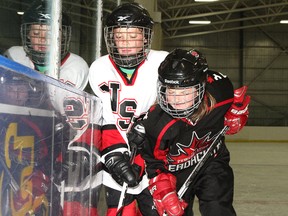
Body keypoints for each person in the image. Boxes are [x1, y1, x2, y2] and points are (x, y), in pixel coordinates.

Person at [127, 48, 251, 216]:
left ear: (201, 87)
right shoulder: (158, 124)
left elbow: (230, 108)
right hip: (176, 173)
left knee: (218, 209)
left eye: (185, 92)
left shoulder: (222, 91)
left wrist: (234, 115)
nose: (177, 100)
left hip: (211, 161)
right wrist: (164, 190)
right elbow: (155, 163)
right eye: (171, 92)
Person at [88, 2, 168, 215]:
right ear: (110, 37)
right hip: (115, 153)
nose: (125, 43)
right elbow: (101, 119)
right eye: (119, 36)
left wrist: (150, 125)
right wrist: (114, 157)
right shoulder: (98, 68)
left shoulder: (163, 62)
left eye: (133, 36)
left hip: (154, 156)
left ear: (146, 37)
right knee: (122, 210)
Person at [3, 0, 88, 91]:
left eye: (50, 34)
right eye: (36, 33)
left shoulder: (75, 66)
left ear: (63, 37)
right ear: (27, 35)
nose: (43, 39)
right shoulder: (13, 56)